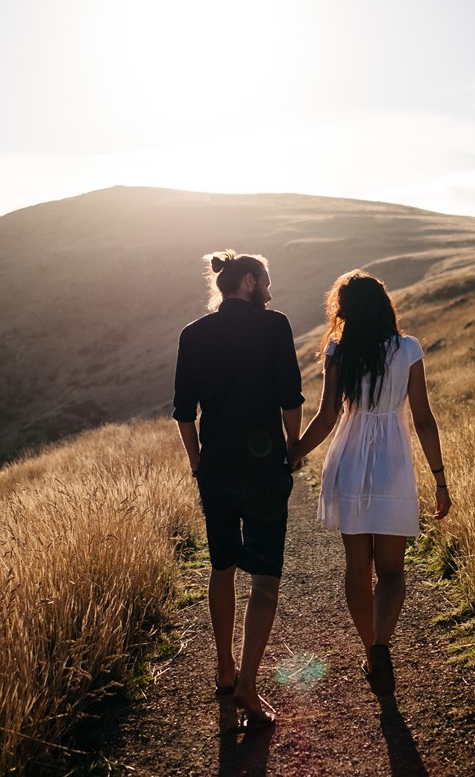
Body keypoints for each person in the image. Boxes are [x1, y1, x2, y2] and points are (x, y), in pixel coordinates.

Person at [288, 270, 450, 696]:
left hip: (350, 457)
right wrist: (440, 480)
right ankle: (380, 645)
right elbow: (423, 419)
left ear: (346, 311)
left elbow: (325, 418)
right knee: (393, 572)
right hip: (392, 462)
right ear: (384, 306)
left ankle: (371, 650)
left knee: (357, 568)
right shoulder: (409, 349)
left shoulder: (338, 349)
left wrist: (294, 452)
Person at [173, 250, 304, 728]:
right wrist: (294, 445)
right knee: (265, 580)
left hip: (217, 471)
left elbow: (184, 412)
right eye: (265, 281)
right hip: (265, 468)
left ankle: (225, 669)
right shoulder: (275, 326)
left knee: (221, 568)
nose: (270, 291)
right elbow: (291, 396)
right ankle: (248, 681)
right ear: (249, 281)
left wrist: (197, 463)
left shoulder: (192, 334)